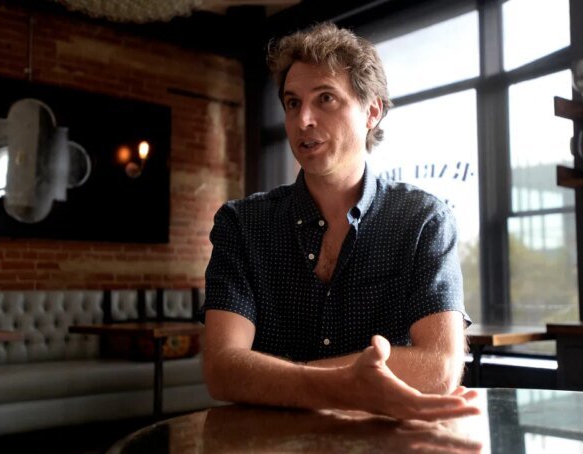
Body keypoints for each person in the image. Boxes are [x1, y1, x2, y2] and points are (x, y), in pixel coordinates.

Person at [201, 22, 479, 421]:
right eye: (292, 103)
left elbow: (439, 368)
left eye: (325, 98)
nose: (303, 120)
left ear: (372, 111)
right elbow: (222, 370)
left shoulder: (423, 220)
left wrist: (278, 380)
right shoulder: (242, 224)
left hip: (385, 442)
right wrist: (345, 383)